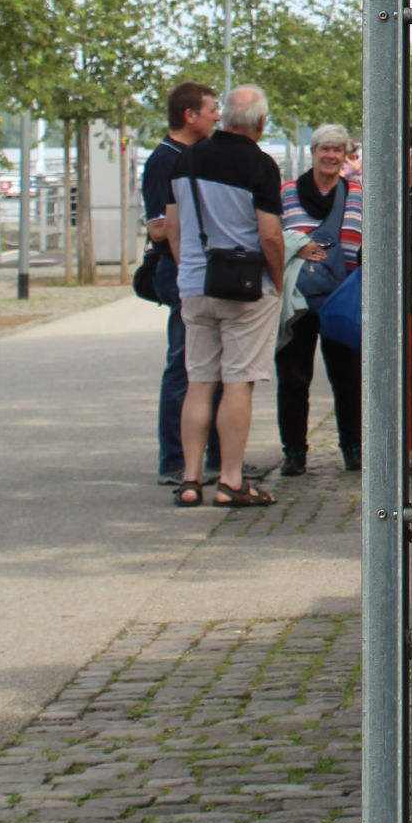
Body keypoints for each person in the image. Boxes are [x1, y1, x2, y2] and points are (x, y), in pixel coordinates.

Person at [165, 84, 282, 508]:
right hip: (245, 289)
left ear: (226, 117)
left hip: (195, 285)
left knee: (199, 382)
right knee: (237, 383)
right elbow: (269, 235)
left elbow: (173, 225)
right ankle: (231, 481)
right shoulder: (261, 165)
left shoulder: (187, 160)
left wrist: (188, 270)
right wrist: (277, 281)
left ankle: (190, 479)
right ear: (261, 123)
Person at [142, 81, 222, 484]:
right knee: (184, 364)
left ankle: (219, 458)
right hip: (178, 272)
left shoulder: (198, 157)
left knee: (216, 366)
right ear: (190, 116)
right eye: (211, 110)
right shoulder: (164, 160)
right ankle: (174, 460)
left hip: (202, 272)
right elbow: (158, 227)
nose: (217, 116)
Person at [275, 123, 362, 475]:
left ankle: (353, 448)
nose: (331, 155)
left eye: (337, 150)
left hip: (342, 299)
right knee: (294, 379)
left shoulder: (356, 193)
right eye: (324, 149)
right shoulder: (287, 192)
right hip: (297, 300)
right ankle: (294, 452)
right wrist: (297, 245)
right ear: (312, 152)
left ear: (345, 156)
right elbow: (271, 234)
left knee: (349, 379)